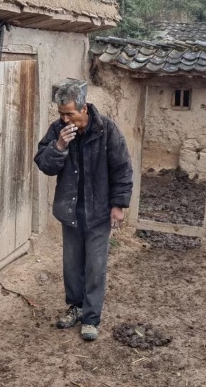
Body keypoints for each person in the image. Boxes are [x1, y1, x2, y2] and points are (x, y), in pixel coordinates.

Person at [34, 79, 133, 341]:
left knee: (95, 266)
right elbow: (44, 164)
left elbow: (122, 168)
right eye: (61, 114)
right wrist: (59, 147)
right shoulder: (58, 131)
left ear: (84, 108)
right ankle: (75, 307)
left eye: (70, 114)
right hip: (71, 211)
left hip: (99, 211)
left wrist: (118, 205)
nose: (65, 120)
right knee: (71, 265)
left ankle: (90, 318)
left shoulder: (106, 130)